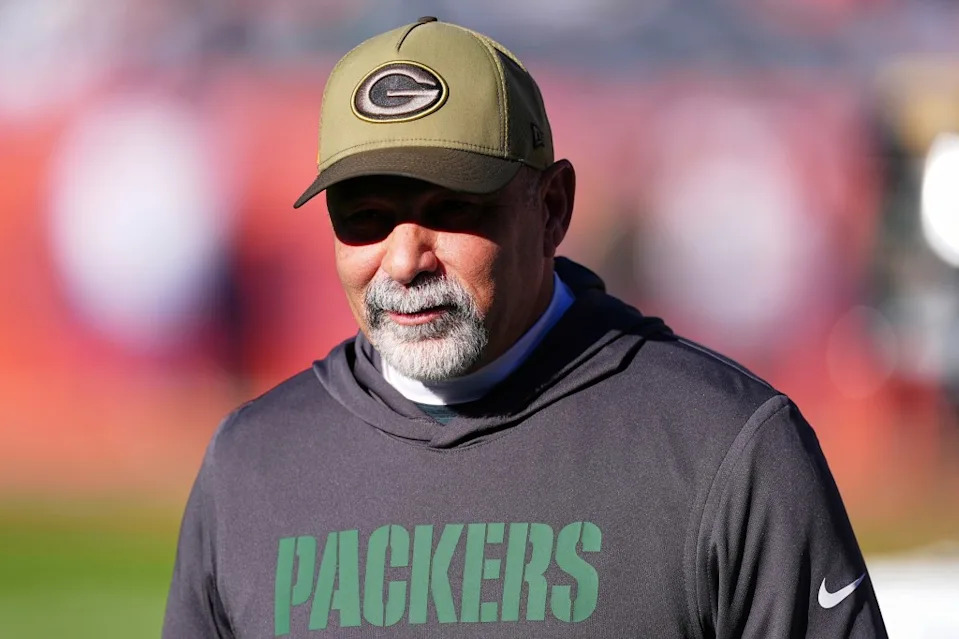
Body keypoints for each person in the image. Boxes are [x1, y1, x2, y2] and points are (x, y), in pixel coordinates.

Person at [163, 17, 888, 638]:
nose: (405, 258)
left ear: (551, 208)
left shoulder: (723, 449)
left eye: (450, 208)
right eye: (364, 216)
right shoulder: (251, 466)